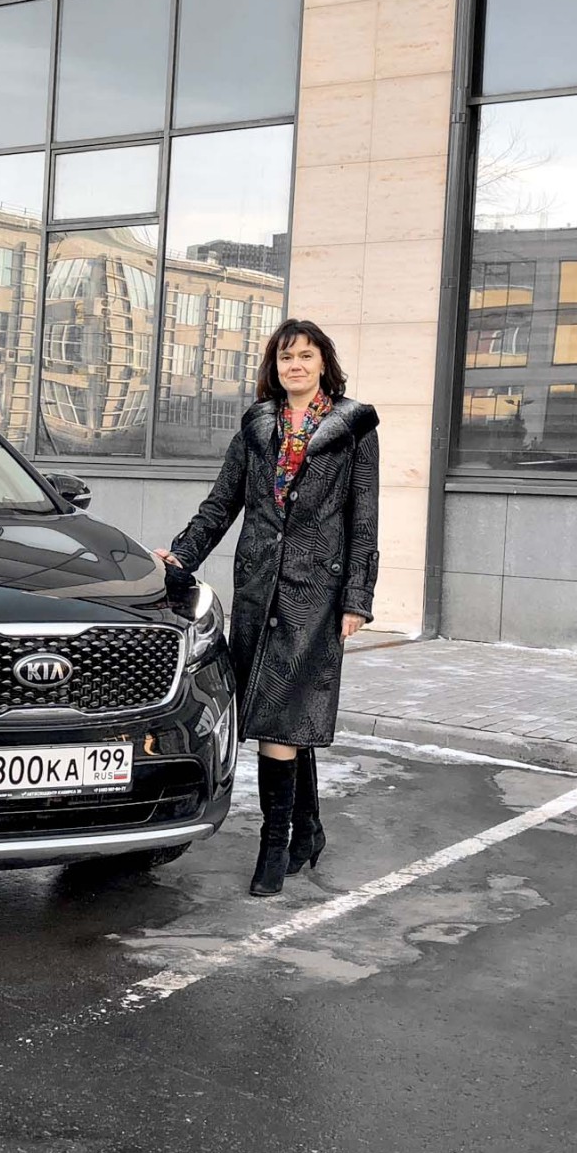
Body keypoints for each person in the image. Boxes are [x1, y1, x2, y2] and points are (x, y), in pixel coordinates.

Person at [156, 320, 379, 897]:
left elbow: (363, 520)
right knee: (286, 716)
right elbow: (221, 503)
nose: (294, 366)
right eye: (285, 358)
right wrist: (182, 555)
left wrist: (357, 598)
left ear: (324, 363)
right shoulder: (258, 426)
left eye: (305, 356)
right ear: (274, 367)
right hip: (258, 591)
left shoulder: (353, 427)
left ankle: (274, 844)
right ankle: (308, 831)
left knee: (280, 719)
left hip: (315, 594)